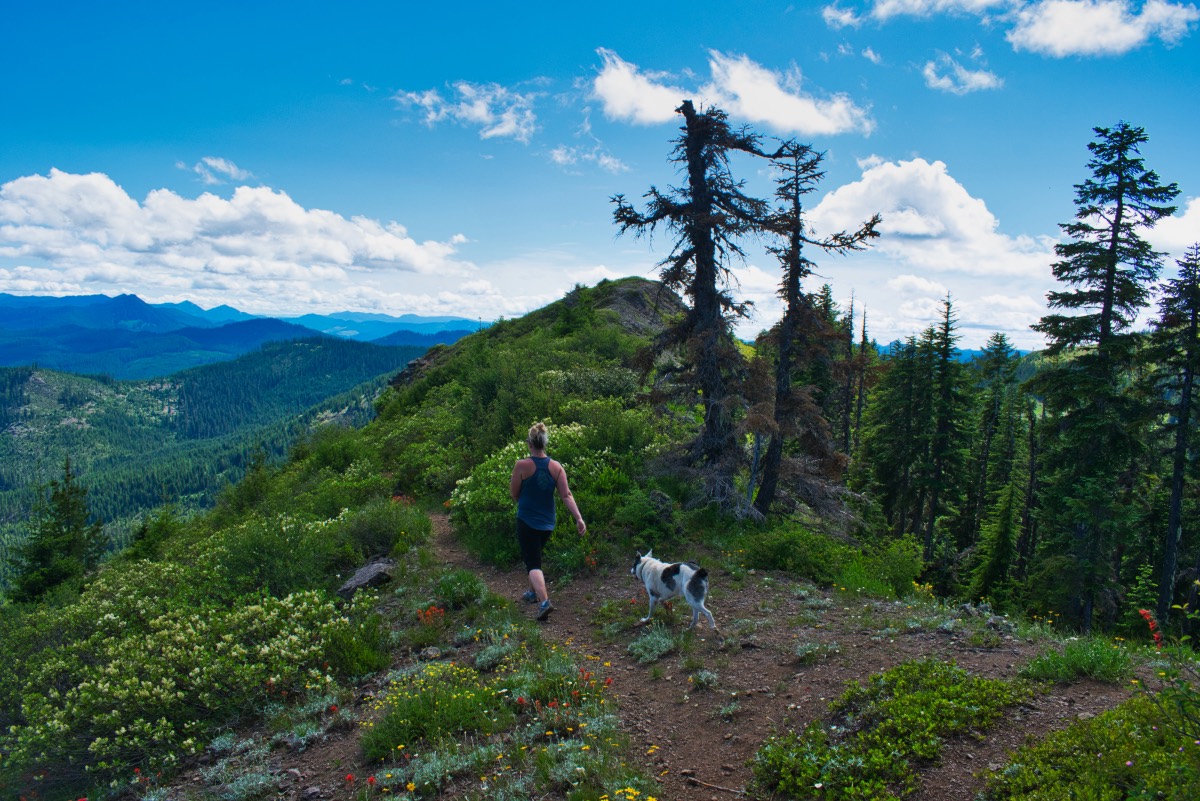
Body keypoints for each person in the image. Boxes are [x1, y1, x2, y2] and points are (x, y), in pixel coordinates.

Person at [509, 422, 586, 621]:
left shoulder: (521, 465)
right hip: (547, 523)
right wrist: (578, 518)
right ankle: (531, 592)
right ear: (544, 443)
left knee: (533, 562)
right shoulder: (556, 467)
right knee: (534, 555)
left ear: (529, 443)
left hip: (527, 520)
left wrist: (525, 502)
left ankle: (544, 602)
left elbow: (514, 493)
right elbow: (566, 495)